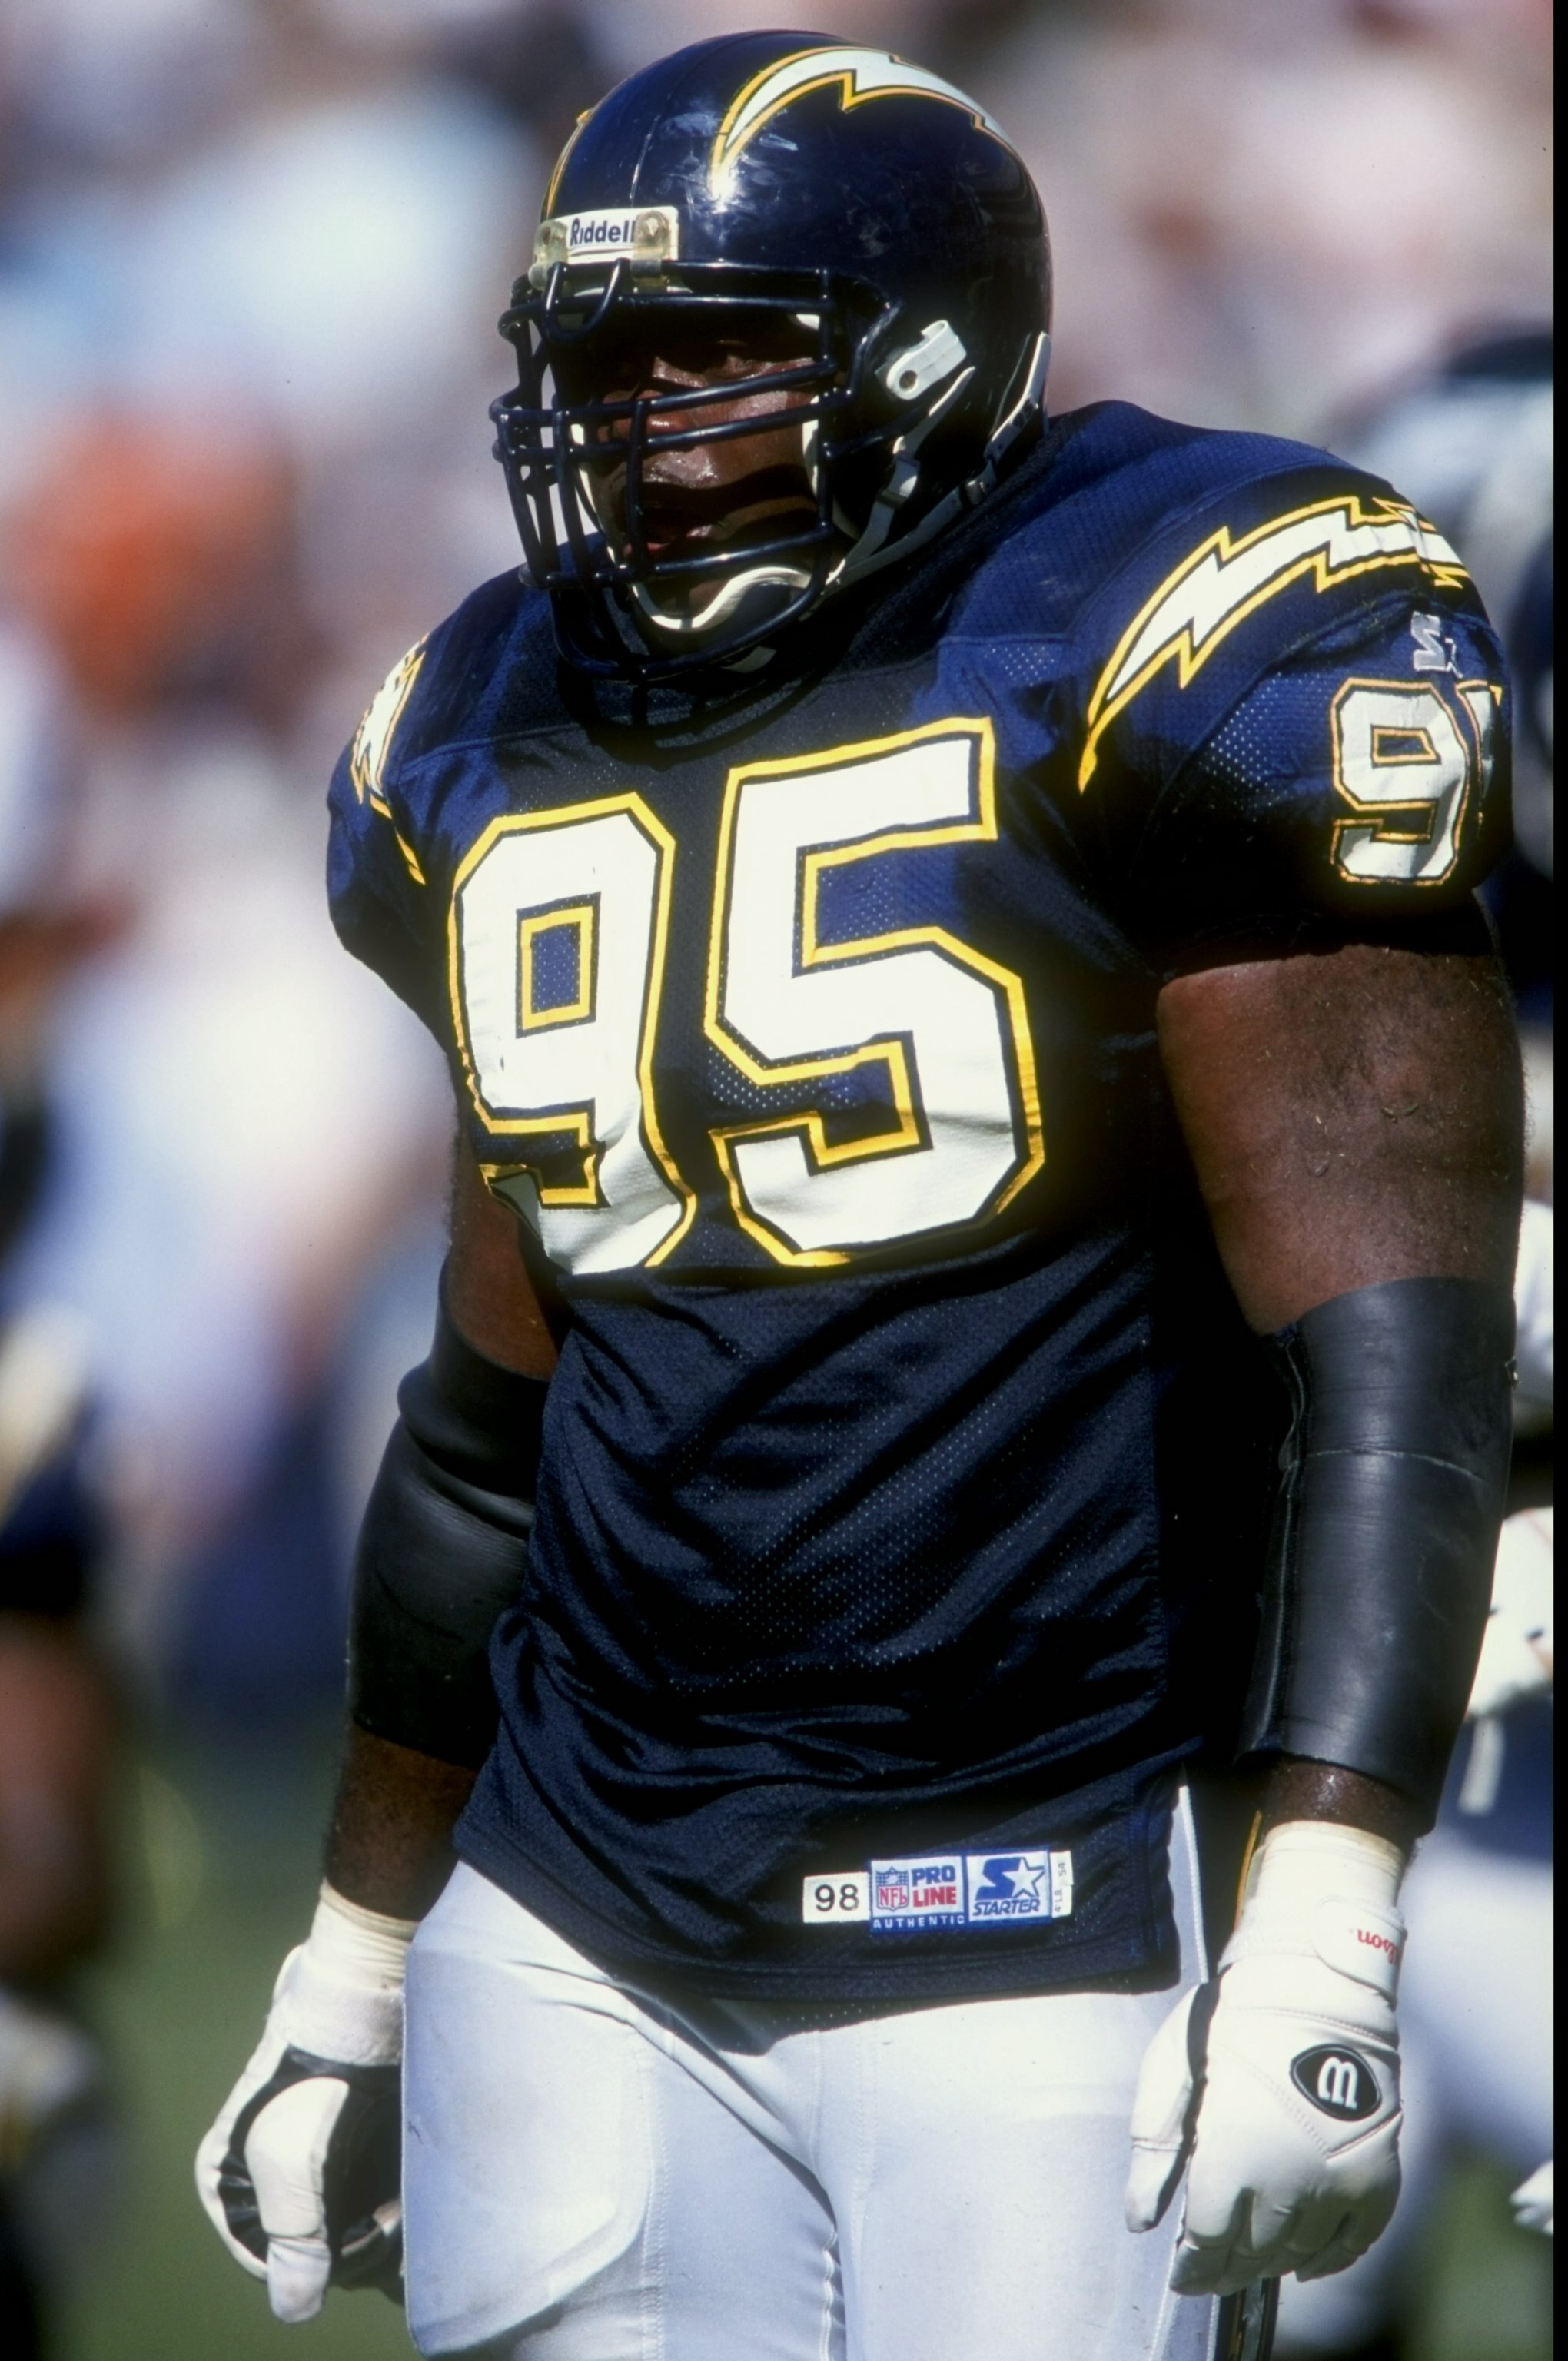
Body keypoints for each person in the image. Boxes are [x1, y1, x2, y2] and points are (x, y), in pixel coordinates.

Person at [195, 34, 1523, 2361]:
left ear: (929, 348)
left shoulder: (1168, 624)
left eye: (712, 354)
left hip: (1057, 1893)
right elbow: (488, 1427)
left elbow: (1386, 1351)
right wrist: (360, 1962)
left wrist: (1321, 1919)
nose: (637, 428)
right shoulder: (482, 727)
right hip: (581, 1911)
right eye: (600, 367)